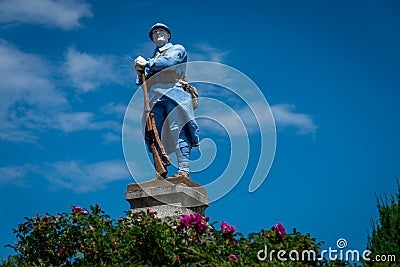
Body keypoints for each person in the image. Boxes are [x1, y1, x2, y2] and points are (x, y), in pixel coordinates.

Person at [134, 23, 199, 179]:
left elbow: (169, 62)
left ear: (168, 35)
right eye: (154, 32)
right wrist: (140, 70)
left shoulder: (177, 49)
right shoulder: (153, 58)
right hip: (155, 96)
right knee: (156, 133)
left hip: (174, 93)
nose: (158, 33)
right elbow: (141, 81)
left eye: (161, 31)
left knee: (178, 129)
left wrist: (147, 64)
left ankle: (184, 171)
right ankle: (160, 171)